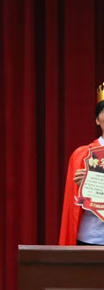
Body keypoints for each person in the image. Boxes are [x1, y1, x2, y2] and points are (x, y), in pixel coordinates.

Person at [59, 83, 104, 245]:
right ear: (97, 120)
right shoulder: (83, 155)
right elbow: (73, 203)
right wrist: (83, 186)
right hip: (91, 237)